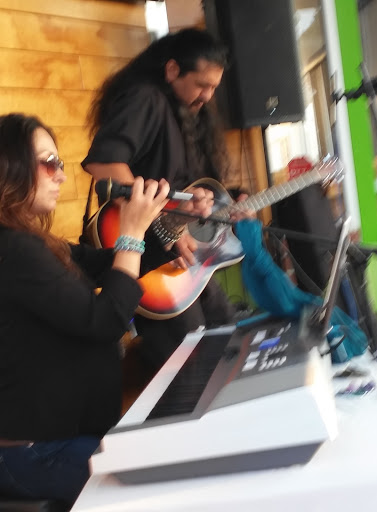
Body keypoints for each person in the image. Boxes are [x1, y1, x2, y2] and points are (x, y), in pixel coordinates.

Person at [0, 113, 211, 508]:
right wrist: (132, 232)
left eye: (60, 163)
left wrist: (170, 222)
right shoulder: (13, 250)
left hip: (61, 439)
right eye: (49, 163)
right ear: (9, 167)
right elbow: (106, 319)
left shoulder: (33, 242)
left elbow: (108, 265)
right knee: (174, 490)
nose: (61, 175)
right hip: (35, 453)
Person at [82, 28, 247, 373]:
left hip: (177, 259)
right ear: (172, 70)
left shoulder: (186, 114)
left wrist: (215, 202)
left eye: (214, 87)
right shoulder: (146, 99)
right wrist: (164, 224)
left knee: (227, 338)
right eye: (201, 85)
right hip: (147, 257)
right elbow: (104, 164)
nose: (207, 96)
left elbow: (177, 187)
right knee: (194, 365)